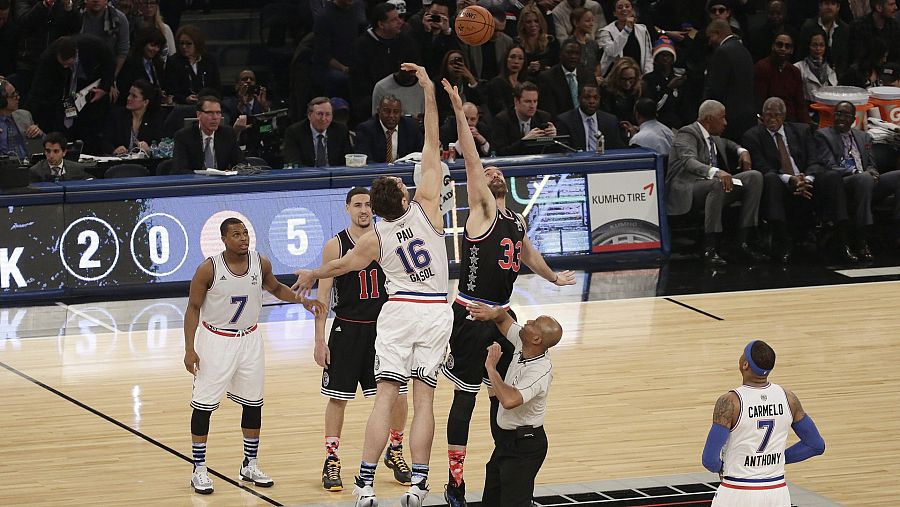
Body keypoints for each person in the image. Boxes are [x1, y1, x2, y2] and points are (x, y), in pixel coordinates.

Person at [294, 62, 450, 507]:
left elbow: (340, 266)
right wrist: (428, 91)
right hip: (434, 308)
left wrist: (310, 273)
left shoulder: (373, 237)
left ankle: (363, 484)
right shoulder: (425, 208)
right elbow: (433, 143)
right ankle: (419, 485)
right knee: (423, 401)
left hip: (396, 311)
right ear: (404, 197)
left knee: (384, 399)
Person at [440, 78, 575, 507]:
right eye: (488, 171)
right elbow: (472, 159)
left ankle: (509, 461)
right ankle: (455, 482)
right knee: (465, 398)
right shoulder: (480, 211)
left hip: (503, 315)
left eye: (498, 171)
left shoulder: (514, 220)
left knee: (509, 394)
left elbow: (527, 252)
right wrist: (461, 114)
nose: (492, 172)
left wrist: (553, 278)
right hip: (471, 313)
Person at [183, 217, 323, 495]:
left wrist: (302, 300)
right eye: (236, 234)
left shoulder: (261, 262)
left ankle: (250, 463)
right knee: (203, 406)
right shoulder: (207, 269)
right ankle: (199, 468)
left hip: (249, 339)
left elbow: (275, 288)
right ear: (223, 239)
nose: (243, 238)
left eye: (245, 233)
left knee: (253, 403)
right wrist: (189, 348)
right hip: (215, 340)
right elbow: (192, 308)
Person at [313, 187, 411, 492]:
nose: (364, 210)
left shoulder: (387, 237)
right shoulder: (336, 244)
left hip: (384, 330)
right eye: (358, 205)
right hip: (347, 329)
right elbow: (324, 294)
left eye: (368, 205)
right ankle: (332, 459)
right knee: (338, 399)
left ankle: (395, 449)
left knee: (398, 395)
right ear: (347, 208)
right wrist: (319, 340)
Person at [702, 340, 825, 506]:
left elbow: (709, 460)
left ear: (745, 365)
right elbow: (816, 445)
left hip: (738, 490)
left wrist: (722, 467)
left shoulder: (730, 402)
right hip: (777, 492)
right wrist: (778, 458)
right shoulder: (789, 399)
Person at [465, 301, 562, 507]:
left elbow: (509, 400)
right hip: (506, 442)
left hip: (525, 447)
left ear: (536, 338)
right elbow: (503, 318)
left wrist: (491, 369)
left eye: (533, 323)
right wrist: (491, 313)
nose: (527, 322)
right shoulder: (523, 343)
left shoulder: (540, 371)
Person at [741, 97, 851, 263]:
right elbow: (763, 167)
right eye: (767, 115)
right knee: (770, 178)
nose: (771, 119)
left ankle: (842, 240)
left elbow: (814, 161)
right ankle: (784, 242)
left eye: (776, 115)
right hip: (780, 183)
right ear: (762, 116)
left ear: (784, 117)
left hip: (806, 181)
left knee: (832, 177)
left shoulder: (802, 131)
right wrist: (790, 180)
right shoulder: (753, 136)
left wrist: (806, 179)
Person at [665, 100, 766, 266]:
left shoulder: (714, 136)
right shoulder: (687, 133)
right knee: (717, 184)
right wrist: (716, 172)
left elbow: (728, 143)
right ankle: (710, 247)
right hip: (688, 188)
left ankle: (743, 241)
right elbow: (689, 162)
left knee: (754, 176)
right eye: (722, 117)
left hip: (712, 187)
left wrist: (743, 151)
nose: (726, 122)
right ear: (709, 119)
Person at [815, 101, 900, 259]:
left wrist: (872, 171)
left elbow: (871, 164)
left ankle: (896, 231)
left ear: (853, 118)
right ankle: (861, 238)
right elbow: (829, 165)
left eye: (846, 115)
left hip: (866, 179)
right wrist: (856, 172)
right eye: (838, 113)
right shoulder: (823, 135)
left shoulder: (864, 137)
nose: (841, 118)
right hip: (843, 183)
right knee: (863, 179)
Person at [703, 19, 755, 142]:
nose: (710, 42)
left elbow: (715, 89)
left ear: (717, 33)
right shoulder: (744, 50)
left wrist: (704, 112)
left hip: (728, 120)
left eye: (710, 37)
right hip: (747, 118)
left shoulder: (722, 52)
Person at [172, 95, 244, 173]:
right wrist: (204, 175)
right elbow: (179, 169)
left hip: (222, 182)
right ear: (199, 115)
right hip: (196, 183)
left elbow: (241, 163)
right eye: (210, 113)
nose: (215, 117)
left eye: (218, 113)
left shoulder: (228, 133)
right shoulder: (183, 136)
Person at [281, 96, 352, 167]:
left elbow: (348, 161)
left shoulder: (341, 130)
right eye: (319, 114)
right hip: (307, 176)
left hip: (334, 175)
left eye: (328, 114)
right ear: (309, 115)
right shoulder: (294, 132)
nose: (324, 119)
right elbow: (293, 163)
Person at [536, 39, 598, 119]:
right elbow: (548, 110)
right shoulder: (546, 78)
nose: (573, 56)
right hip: (560, 124)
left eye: (576, 53)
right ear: (560, 54)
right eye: (569, 53)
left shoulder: (588, 76)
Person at [102, 78, 165, 155]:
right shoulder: (117, 115)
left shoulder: (155, 118)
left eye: (134, 96)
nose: (128, 98)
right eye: (129, 94)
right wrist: (114, 150)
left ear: (145, 102)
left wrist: (149, 149)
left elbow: (161, 144)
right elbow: (105, 141)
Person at [753, 33, 807, 124]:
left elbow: (800, 103)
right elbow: (759, 102)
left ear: (792, 50)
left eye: (787, 46)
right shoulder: (761, 67)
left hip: (791, 121)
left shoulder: (795, 71)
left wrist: (807, 124)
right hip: (769, 120)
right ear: (772, 46)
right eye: (779, 45)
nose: (783, 49)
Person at [491, 81, 556, 156]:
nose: (532, 106)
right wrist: (525, 141)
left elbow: (550, 151)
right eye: (528, 101)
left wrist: (553, 138)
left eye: (535, 101)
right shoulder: (502, 120)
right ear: (516, 101)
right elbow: (500, 152)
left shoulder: (544, 117)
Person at [556, 83, 626, 151]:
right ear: (578, 99)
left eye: (595, 98)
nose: (592, 101)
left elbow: (617, 148)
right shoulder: (565, 121)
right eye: (587, 97)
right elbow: (564, 150)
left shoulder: (610, 121)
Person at [355, 95, 424, 164]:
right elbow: (365, 160)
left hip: (404, 171)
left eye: (396, 112)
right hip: (377, 172)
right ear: (379, 111)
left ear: (401, 113)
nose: (391, 115)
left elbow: (420, 155)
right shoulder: (366, 130)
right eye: (387, 111)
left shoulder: (412, 127)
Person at [163, 24, 221, 105]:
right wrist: (185, 99)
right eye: (181, 43)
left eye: (188, 43)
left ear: (197, 44)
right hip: (183, 105)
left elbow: (216, 87)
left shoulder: (209, 60)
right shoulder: (173, 62)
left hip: (208, 104)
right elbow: (171, 90)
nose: (184, 47)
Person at [597, 0, 653, 77]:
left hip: (638, 76)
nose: (624, 9)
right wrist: (626, 30)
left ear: (632, 10)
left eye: (627, 6)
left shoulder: (642, 29)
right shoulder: (606, 31)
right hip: (614, 76)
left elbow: (647, 57)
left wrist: (648, 76)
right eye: (620, 7)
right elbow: (612, 52)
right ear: (614, 13)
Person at [0, 78, 43, 161]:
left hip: (28, 166)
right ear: (2, 101)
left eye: (16, 93)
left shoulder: (25, 115)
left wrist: (39, 135)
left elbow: (39, 149)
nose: (18, 97)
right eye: (13, 95)